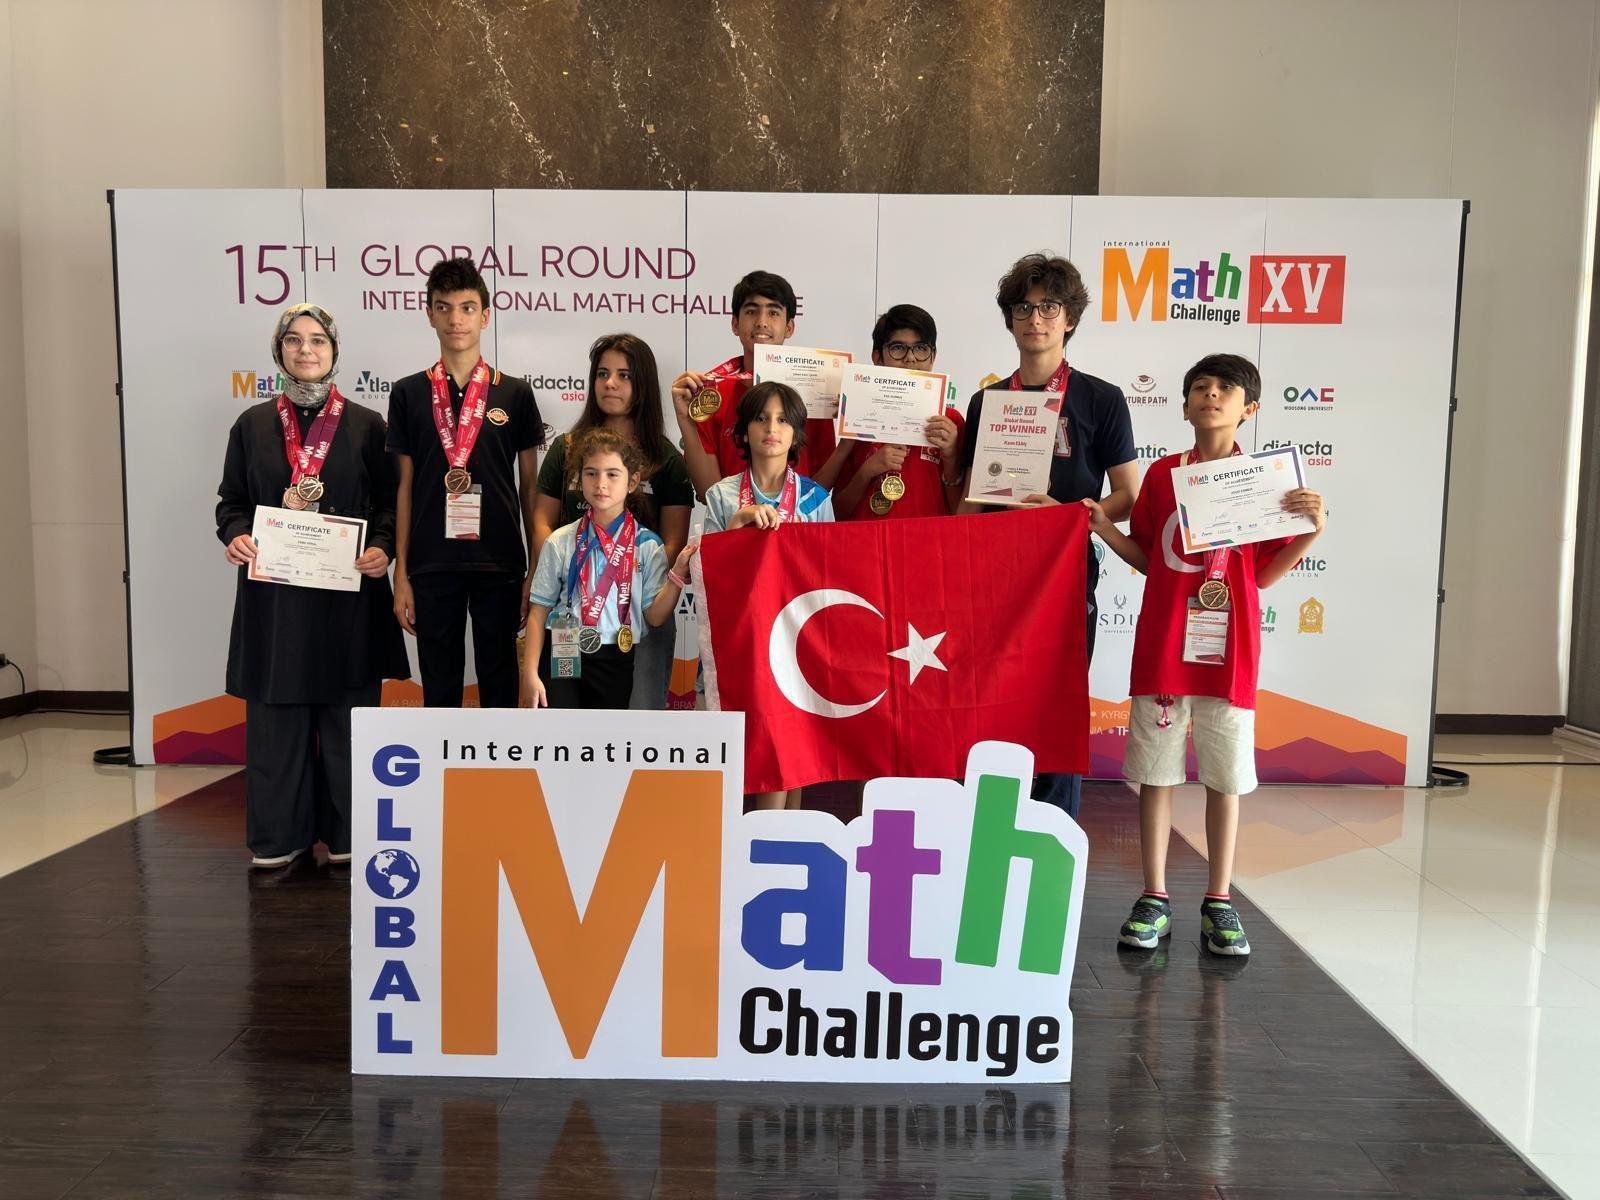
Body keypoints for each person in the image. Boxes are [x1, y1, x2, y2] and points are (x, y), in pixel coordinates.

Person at [1086, 353, 1325, 956]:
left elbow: (1262, 577)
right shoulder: (1164, 475)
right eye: (1200, 386)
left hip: (1229, 653)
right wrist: (1102, 527)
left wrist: (1310, 533)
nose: (1210, 395)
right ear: (1185, 404)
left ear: (1250, 408)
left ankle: (1220, 899)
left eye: (1225, 388)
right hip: (1166, 647)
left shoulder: (1267, 482)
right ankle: (1154, 896)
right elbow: (1148, 557)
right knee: (1156, 775)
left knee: (1226, 779)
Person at [216, 304, 410, 869]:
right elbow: (231, 502)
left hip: (347, 596)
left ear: (334, 350)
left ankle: (350, 833)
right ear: (279, 351)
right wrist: (236, 534)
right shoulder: (251, 425)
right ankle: (281, 837)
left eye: (318, 340)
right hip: (275, 600)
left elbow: (390, 505)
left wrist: (383, 547)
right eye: (295, 340)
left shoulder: (368, 425)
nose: (307, 350)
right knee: (277, 722)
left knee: (348, 719)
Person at [955, 252, 1139, 820]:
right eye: (1023, 308)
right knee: (991, 697)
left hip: (1064, 571)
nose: (1035, 318)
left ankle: (1051, 830)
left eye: (1049, 307)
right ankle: (990, 824)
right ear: (1010, 320)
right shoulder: (988, 401)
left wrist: (1070, 516)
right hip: (994, 572)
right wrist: (952, 550)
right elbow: (973, 496)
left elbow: (1127, 496)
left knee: (1058, 701)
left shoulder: (1101, 399)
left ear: (1070, 319)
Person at [386, 257, 545, 708]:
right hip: (431, 561)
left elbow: (529, 489)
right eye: (444, 307)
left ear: (485, 316)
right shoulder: (408, 393)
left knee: (499, 680)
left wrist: (535, 570)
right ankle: (442, 759)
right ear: (430, 314)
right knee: (439, 684)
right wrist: (402, 572)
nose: (456, 319)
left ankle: (496, 757)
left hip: (500, 561)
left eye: (467, 308)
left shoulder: (515, 392)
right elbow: (404, 489)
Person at [532, 333, 693, 710]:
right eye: (603, 374)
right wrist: (554, 579)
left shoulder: (665, 458)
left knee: (636, 722)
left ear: (643, 385)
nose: (610, 383)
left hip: (637, 611)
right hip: (571, 612)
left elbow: (673, 540)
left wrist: (640, 585)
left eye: (624, 375)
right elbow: (542, 523)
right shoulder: (566, 449)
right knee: (566, 721)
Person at [702, 381, 833, 812]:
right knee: (766, 744)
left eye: (782, 420)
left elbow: (830, 574)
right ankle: (764, 837)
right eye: (760, 418)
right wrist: (735, 528)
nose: (771, 428)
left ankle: (783, 836)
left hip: (800, 636)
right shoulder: (722, 496)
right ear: (743, 431)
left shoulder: (815, 499)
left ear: (797, 434)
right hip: (746, 638)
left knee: (795, 748)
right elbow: (705, 572)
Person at [670, 270, 841, 498]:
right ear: (735, 324)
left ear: (789, 327)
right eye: (751, 311)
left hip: (798, 518)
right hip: (731, 518)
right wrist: (685, 420)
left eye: (773, 313)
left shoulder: (814, 391)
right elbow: (707, 492)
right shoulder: (710, 393)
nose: (761, 322)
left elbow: (821, 486)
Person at [816, 303, 965, 520]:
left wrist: (950, 457)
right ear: (877, 358)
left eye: (921, 348)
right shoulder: (859, 416)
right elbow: (837, 514)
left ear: (933, 357)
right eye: (898, 348)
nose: (910, 358)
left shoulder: (949, 422)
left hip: (927, 539)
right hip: (868, 540)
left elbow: (962, 515)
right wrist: (867, 471)